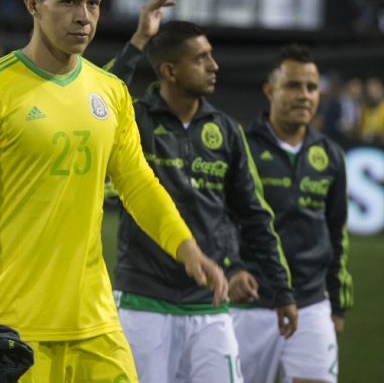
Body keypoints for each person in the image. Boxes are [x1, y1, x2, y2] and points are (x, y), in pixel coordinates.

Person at [0, 0, 227, 382]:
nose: (84, 17)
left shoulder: (110, 93)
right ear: (33, 5)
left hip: (96, 321)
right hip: (14, 324)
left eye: (93, 3)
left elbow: (138, 183)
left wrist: (187, 247)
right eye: (68, 2)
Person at [108, 20, 296, 383]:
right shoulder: (134, 119)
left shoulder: (226, 130)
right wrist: (138, 42)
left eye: (211, 56)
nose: (214, 66)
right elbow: (99, 97)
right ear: (169, 71)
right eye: (201, 58)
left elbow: (252, 215)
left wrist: (280, 289)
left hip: (210, 304)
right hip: (143, 303)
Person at [232, 44, 353, 383]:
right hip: (249, 303)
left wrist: (337, 305)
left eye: (311, 87)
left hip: (311, 302)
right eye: (293, 85)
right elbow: (219, 222)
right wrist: (233, 270)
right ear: (269, 90)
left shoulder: (330, 156)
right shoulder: (240, 147)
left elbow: (337, 233)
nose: (304, 95)